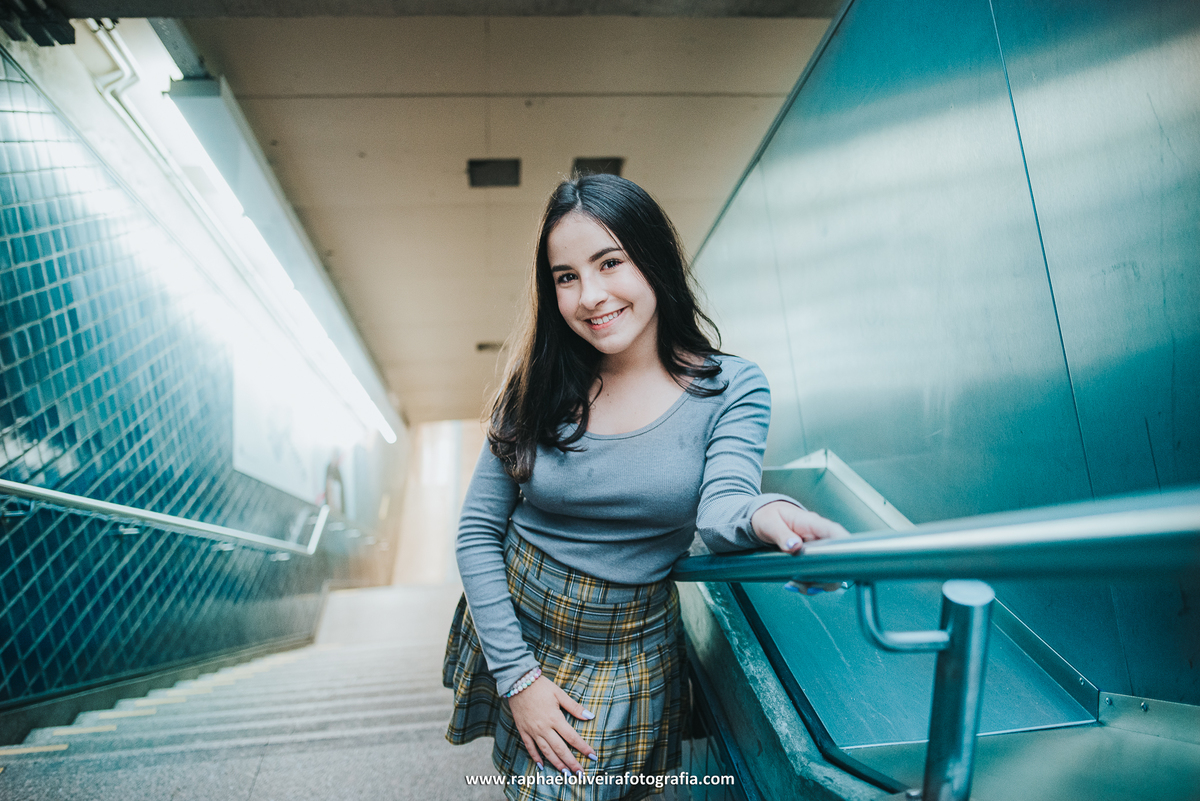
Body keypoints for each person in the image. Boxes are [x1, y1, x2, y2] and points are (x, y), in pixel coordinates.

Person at [443, 174, 847, 800]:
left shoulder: (731, 388)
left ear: (654, 260)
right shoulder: (535, 384)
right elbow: (476, 532)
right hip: (514, 620)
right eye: (566, 276)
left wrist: (768, 513)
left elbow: (724, 508)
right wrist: (518, 679)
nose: (590, 296)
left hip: (624, 645)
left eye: (610, 263)